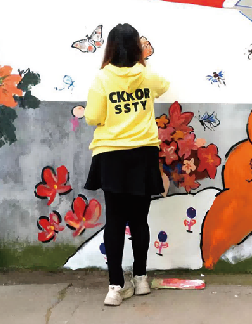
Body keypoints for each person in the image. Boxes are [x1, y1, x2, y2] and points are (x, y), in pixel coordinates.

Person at [83, 23, 170, 307]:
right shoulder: (146, 75)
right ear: (136, 48)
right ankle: (141, 280)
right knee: (139, 220)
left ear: (110, 47)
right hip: (143, 154)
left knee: (115, 221)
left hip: (111, 155)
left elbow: (93, 117)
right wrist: (143, 62)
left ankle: (115, 287)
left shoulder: (102, 79)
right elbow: (164, 86)